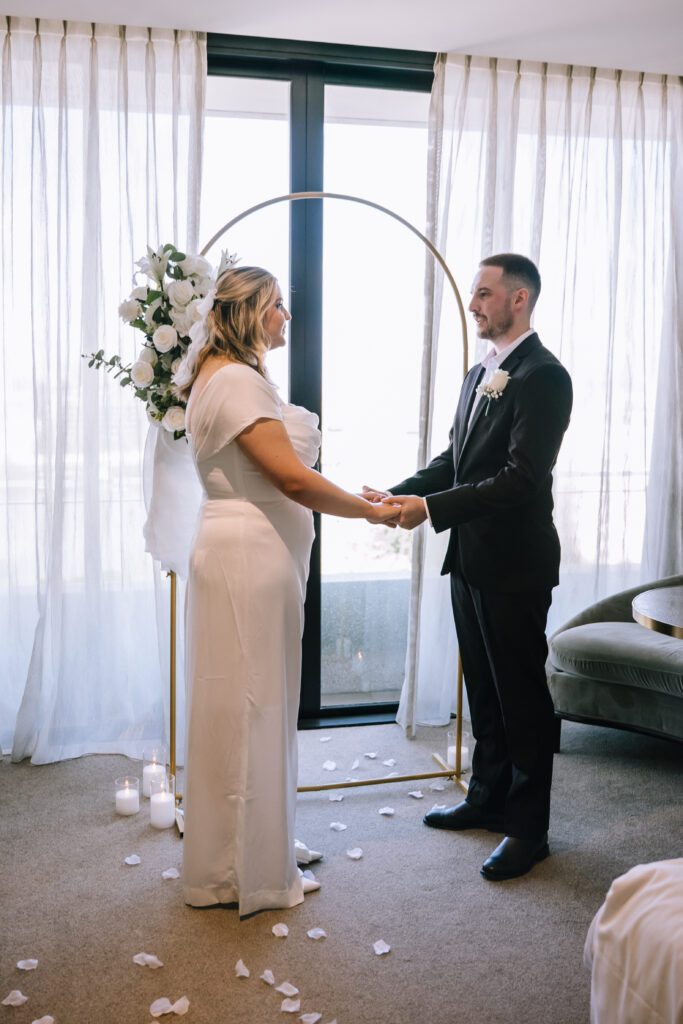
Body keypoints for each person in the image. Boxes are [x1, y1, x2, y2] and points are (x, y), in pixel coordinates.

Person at [173, 266, 397, 916]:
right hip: (248, 555)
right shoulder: (238, 379)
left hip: (236, 547)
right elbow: (292, 481)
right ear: (247, 314)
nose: (286, 317)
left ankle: (239, 852)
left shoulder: (213, 374)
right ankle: (251, 871)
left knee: (237, 704)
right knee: (253, 704)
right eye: (276, 306)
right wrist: (370, 511)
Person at [363, 253, 573, 881]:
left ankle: (529, 831)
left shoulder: (543, 376)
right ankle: (486, 799)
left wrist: (428, 508)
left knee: (522, 699)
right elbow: (457, 458)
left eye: (484, 293)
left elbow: (520, 479)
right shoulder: (481, 371)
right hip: (471, 558)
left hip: (516, 563)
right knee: (483, 688)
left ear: (520, 300)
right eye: (475, 293)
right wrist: (400, 493)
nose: (474, 303)